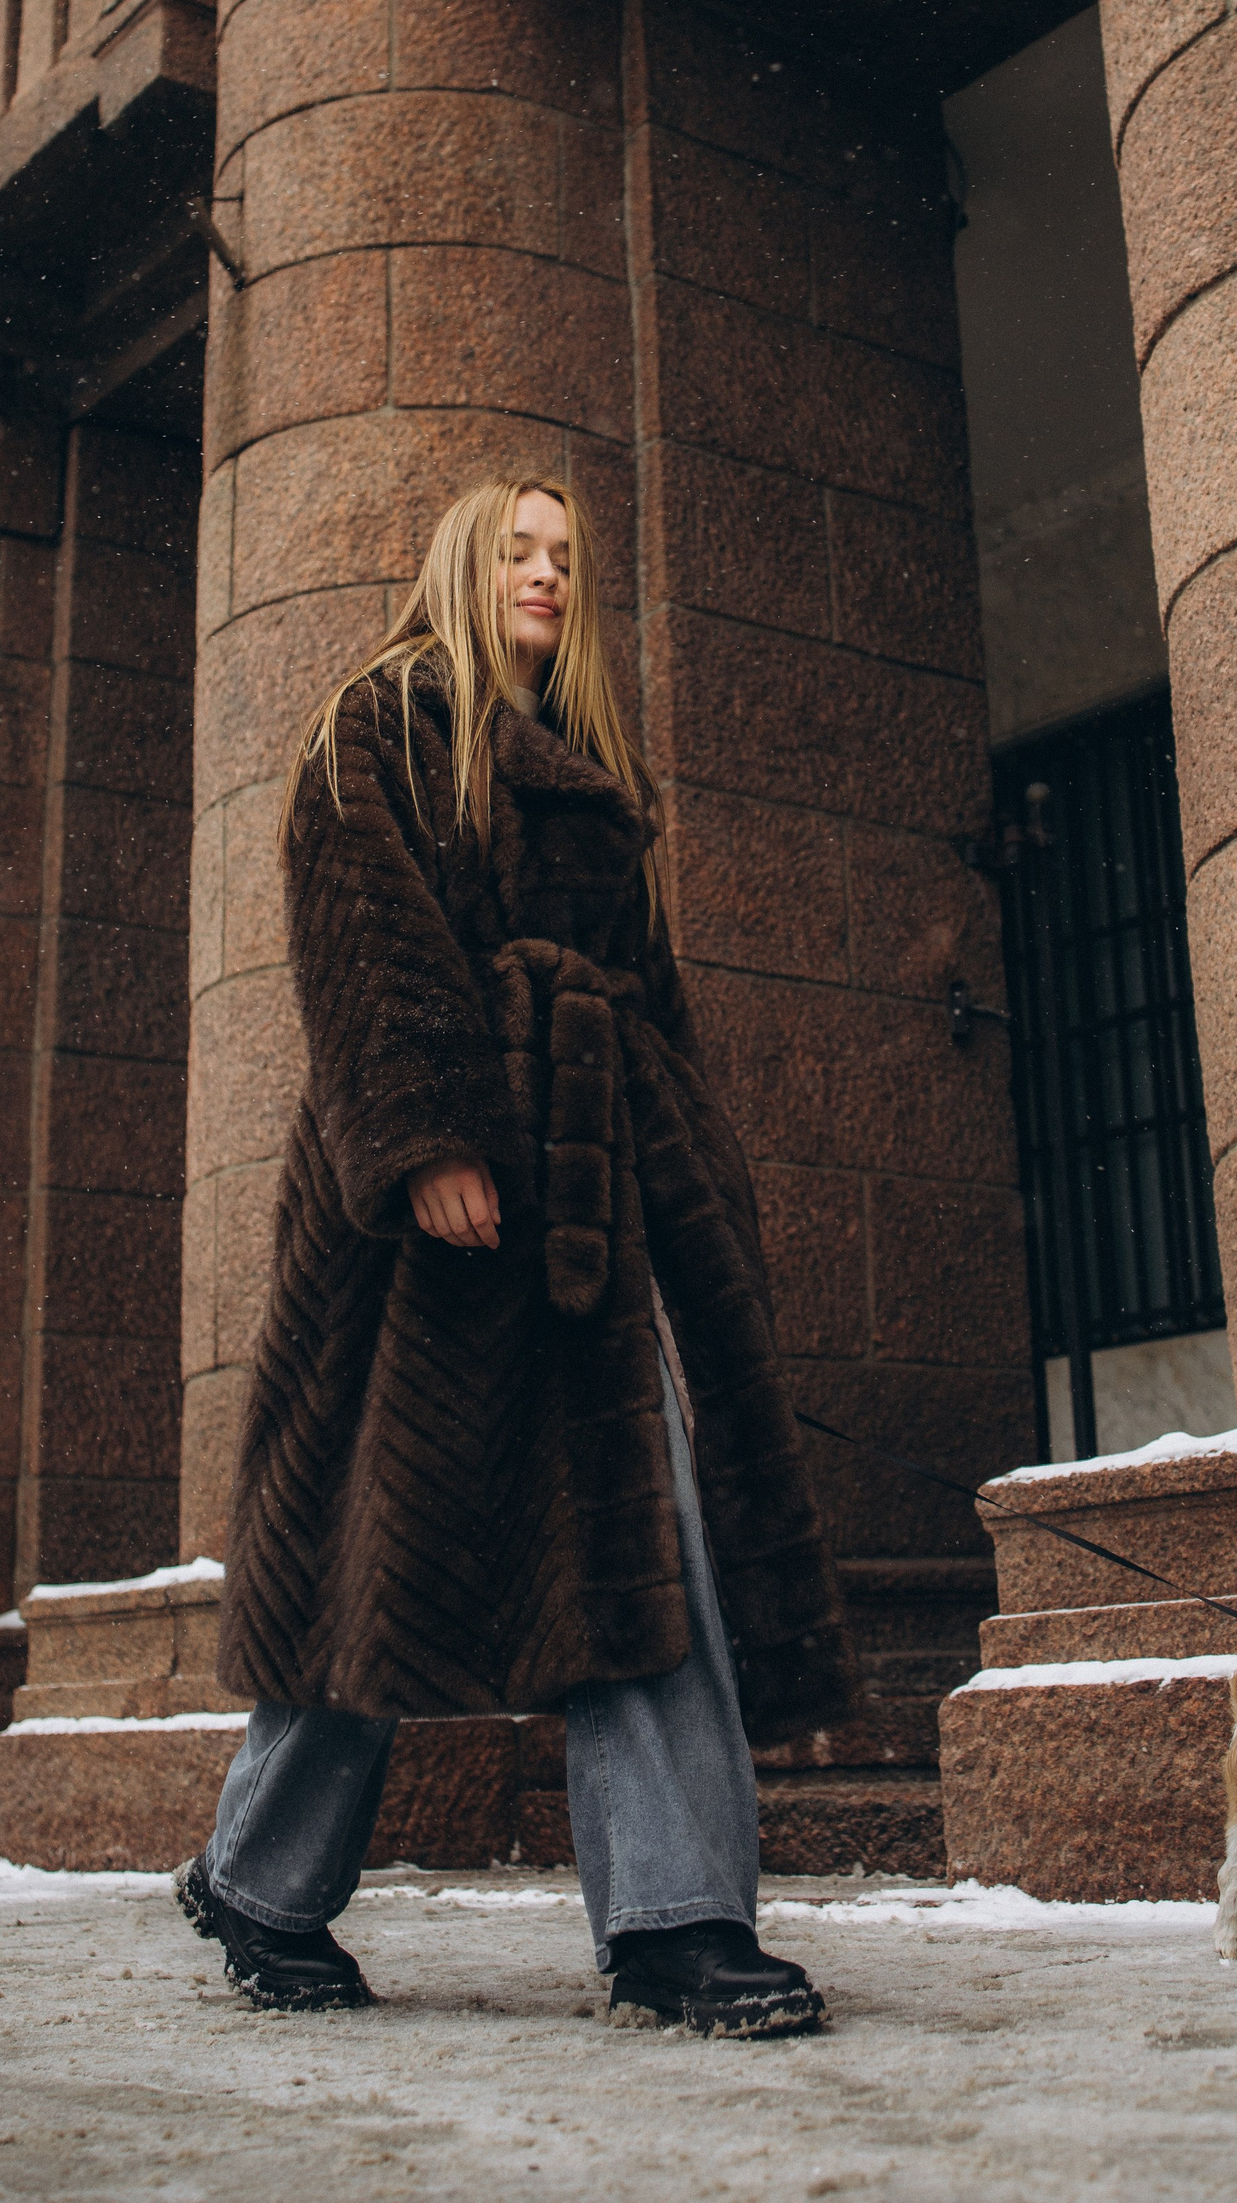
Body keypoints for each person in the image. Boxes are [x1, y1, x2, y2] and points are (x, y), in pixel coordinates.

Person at [175, 477, 857, 2031]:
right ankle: (258, 1878)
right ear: (462, 568)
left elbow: (654, 1009)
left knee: (640, 1534)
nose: (546, 573)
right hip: (422, 1209)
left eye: (565, 556)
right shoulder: (379, 718)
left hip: (590, 1204)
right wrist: (429, 1136)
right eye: (517, 551)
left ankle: (678, 1917)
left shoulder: (603, 773)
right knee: (374, 1542)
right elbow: (359, 930)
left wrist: (700, 1206)